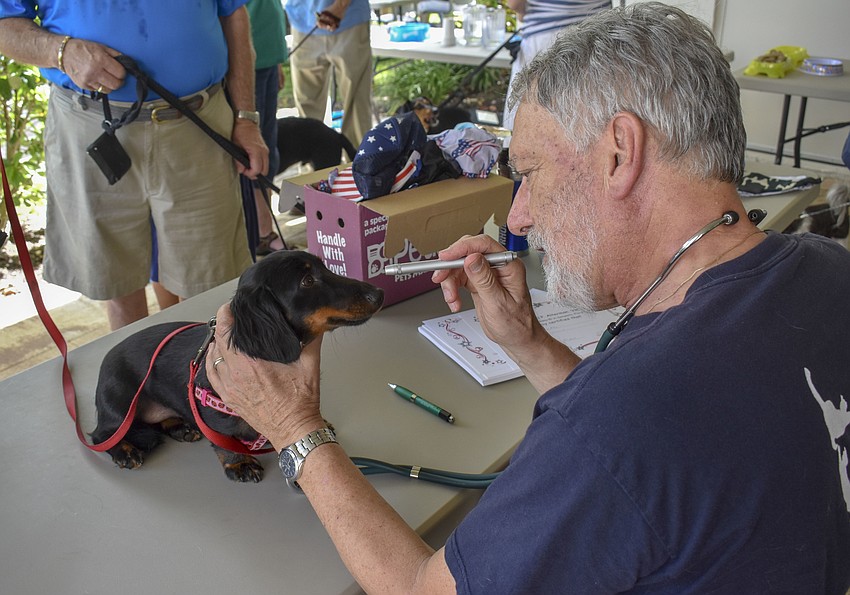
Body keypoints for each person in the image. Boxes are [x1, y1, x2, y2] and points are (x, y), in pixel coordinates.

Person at [205, 4, 850, 592]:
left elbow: (422, 590)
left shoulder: (621, 419)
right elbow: (658, 464)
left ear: (620, 155)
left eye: (530, 173)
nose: (520, 213)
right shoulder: (828, 269)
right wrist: (530, 343)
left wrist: (295, 431)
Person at [0, 1, 268, 330]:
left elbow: (233, 13)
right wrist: (61, 52)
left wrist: (247, 119)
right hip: (90, 124)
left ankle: (200, 378)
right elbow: (5, 22)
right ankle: (136, 379)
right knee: (116, 281)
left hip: (198, 124)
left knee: (211, 285)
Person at [502, 0, 609, 132]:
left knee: (531, 123)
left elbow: (515, 4)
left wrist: (522, 14)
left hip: (545, 38)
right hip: (596, 36)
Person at [285, 0, 373, 150]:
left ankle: (360, 168)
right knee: (307, 112)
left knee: (356, 108)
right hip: (302, 19)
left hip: (349, 20)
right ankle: (311, 169)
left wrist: (341, 5)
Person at [247, 0, 289, 254]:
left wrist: (276, 61)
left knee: (268, 149)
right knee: (255, 152)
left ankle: (263, 228)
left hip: (266, 58)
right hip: (246, 63)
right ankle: (262, 231)